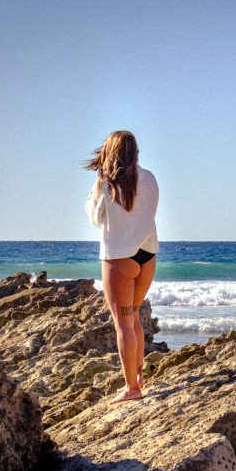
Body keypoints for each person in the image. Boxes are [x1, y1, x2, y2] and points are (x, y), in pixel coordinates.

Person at [85, 130, 159, 403]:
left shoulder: (107, 182)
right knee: (134, 318)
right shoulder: (150, 177)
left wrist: (97, 186)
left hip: (119, 259)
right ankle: (138, 377)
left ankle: (132, 388)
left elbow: (95, 217)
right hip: (147, 256)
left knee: (123, 324)